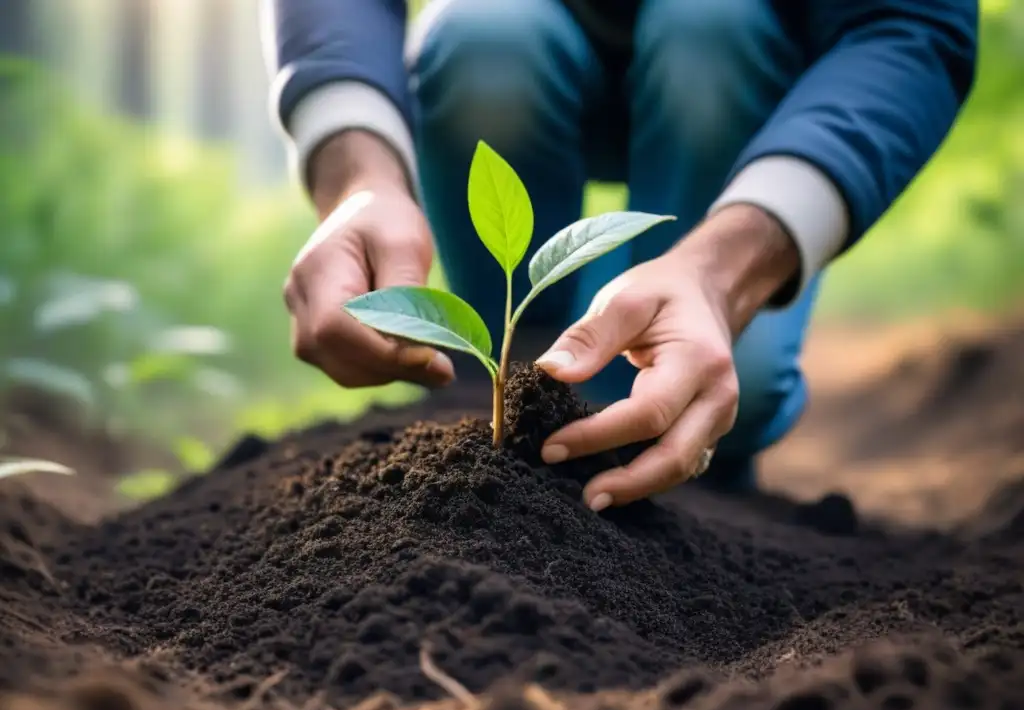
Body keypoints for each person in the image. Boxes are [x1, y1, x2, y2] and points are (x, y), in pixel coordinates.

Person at [262, 0, 977, 511]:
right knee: (484, 33)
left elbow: (912, 25)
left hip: (746, 55)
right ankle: (516, 412)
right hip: (519, 41)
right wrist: (358, 175)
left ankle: (698, 464)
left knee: (709, 25)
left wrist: (722, 274)